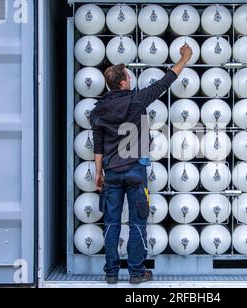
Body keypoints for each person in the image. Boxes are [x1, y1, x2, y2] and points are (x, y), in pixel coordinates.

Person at [91, 44, 193, 285]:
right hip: (136, 170)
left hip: (112, 172)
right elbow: (165, 81)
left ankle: (111, 273)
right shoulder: (137, 100)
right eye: (128, 75)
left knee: (111, 222)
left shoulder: (99, 109)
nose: (130, 78)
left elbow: (98, 144)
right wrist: (184, 58)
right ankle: (136, 273)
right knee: (137, 222)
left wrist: (98, 173)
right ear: (123, 84)